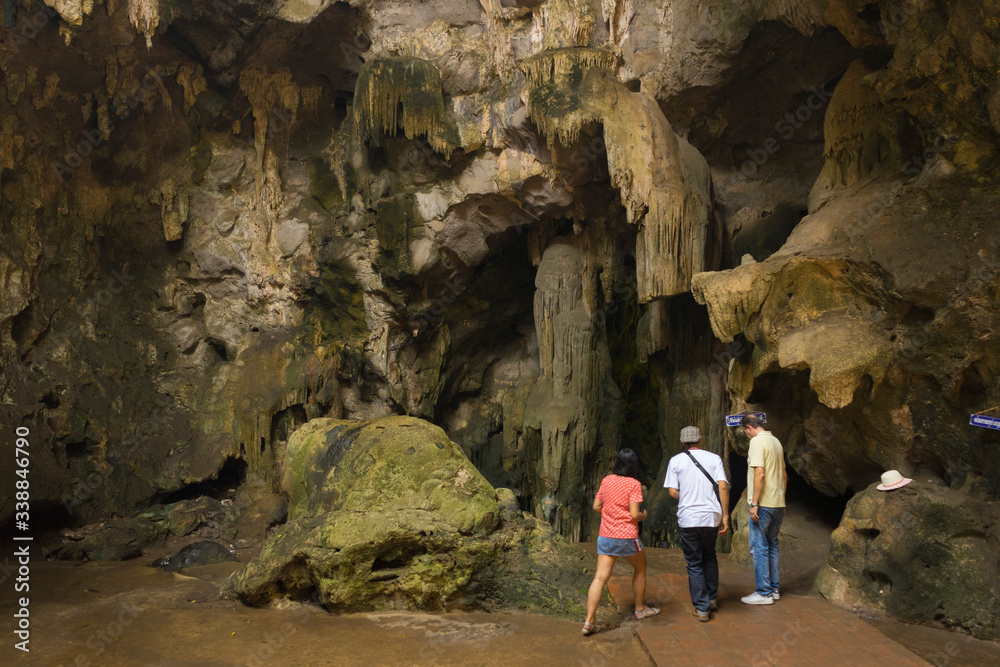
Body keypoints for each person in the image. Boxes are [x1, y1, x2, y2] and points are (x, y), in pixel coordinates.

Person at [583, 448, 659, 635]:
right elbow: (634, 514)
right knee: (640, 568)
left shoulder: (606, 480)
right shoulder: (633, 484)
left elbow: (596, 506)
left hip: (606, 536)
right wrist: (643, 515)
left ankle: (588, 621)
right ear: (634, 466)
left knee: (600, 578)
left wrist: (611, 514)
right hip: (626, 537)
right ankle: (640, 609)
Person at [664, 426, 730, 622]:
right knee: (709, 556)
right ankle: (711, 599)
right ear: (700, 440)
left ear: (683, 443)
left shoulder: (675, 461)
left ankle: (701, 608)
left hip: (689, 518)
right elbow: (723, 486)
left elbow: (673, 492)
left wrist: (688, 495)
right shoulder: (714, 458)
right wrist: (725, 516)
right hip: (711, 517)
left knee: (694, 562)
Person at [740, 414, 787, 605]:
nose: (747, 436)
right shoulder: (776, 441)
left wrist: (755, 503)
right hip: (778, 503)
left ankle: (764, 593)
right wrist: (782, 499)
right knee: (772, 545)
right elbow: (784, 474)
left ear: (749, 428)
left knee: (759, 547)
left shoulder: (757, 442)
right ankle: (774, 589)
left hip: (764, 505)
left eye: (745, 432)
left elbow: (759, 474)